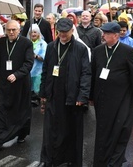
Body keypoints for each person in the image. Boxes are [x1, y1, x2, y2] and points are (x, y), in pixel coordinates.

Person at [90, 22, 133, 166]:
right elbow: (93, 74)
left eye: (106, 34)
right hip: (102, 98)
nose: (103, 36)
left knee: (120, 129)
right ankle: (101, 160)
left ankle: (115, 160)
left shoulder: (127, 51)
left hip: (122, 99)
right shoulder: (97, 51)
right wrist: (90, 96)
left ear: (115, 35)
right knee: (103, 130)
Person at [39, 18, 91, 166]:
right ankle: (48, 159)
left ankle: (69, 160)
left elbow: (86, 74)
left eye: (65, 32)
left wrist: (83, 95)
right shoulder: (51, 47)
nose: (62, 35)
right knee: (50, 129)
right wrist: (43, 92)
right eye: (60, 32)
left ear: (71, 31)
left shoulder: (81, 49)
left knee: (69, 129)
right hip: (54, 93)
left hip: (72, 95)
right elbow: (45, 70)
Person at [0, 20, 34, 149]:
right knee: (1, 110)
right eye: (8, 30)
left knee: (21, 111)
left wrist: (17, 74)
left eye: (14, 30)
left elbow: (29, 63)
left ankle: (21, 134)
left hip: (21, 83)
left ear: (19, 30)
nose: (11, 32)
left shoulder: (26, 43)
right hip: (4, 82)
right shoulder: (1, 43)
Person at [28, 24, 47, 106]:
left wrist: (35, 56)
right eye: (31, 32)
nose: (33, 34)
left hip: (39, 70)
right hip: (28, 70)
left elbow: (45, 57)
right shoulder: (27, 43)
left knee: (38, 89)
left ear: (39, 33)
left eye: (35, 32)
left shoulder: (43, 44)